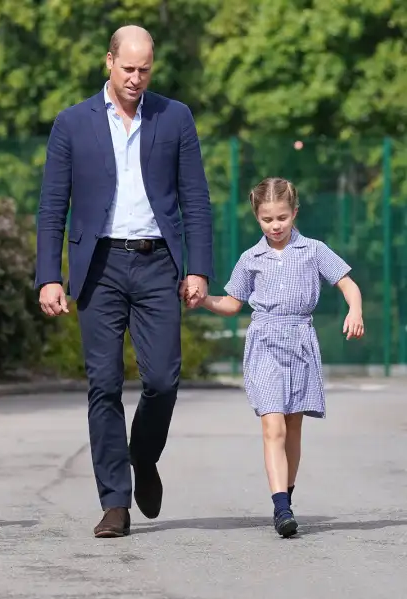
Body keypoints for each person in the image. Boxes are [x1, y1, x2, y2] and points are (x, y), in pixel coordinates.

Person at [35, 24, 214, 538]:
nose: (136, 78)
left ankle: (144, 455)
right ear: (108, 62)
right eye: (128, 68)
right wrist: (50, 276)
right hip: (100, 266)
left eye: (145, 69)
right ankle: (114, 501)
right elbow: (52, 207)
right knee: (104, 385)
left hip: (159, 262)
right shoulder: (72, 123)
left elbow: (195, 199)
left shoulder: (174, 117)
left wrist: (198, 268)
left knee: (162, 380)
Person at [199, 177, 364, 537]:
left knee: (292, 426)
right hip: (264, 343)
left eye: (282, 218)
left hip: (301, 341)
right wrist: (205, 300)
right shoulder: (250, 258)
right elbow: (232, 303)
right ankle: (281, 508)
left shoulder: (314, 250)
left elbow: (348, 284)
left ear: (294, 213)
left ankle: (286, 496)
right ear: (256, 217)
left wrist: (355, 311)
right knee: (271, 423)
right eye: (267, 219)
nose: (275, 226)